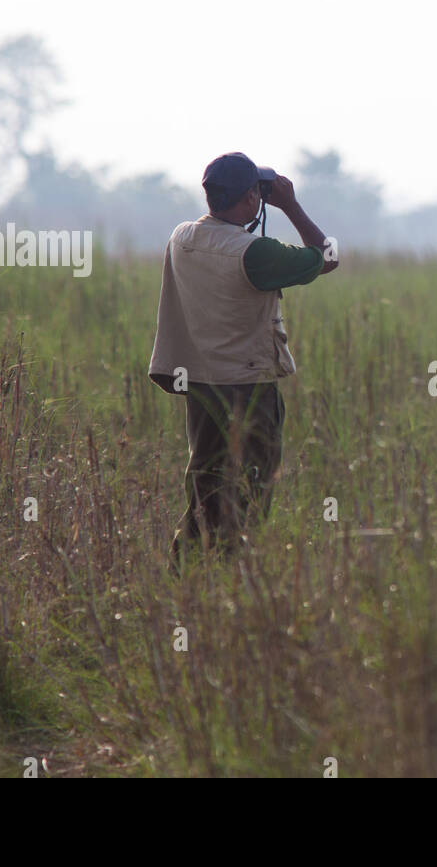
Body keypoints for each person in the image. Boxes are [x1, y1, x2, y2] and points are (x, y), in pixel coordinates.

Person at [148, 151, 338, 567]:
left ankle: (189, 571)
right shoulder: (254, 253)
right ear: (253, 197)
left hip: (200, 383)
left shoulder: (182, 236)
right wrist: (289, 204)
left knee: (205, 481)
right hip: (247, 386)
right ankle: (231, 570)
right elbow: (327, 256)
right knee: (252, 487)